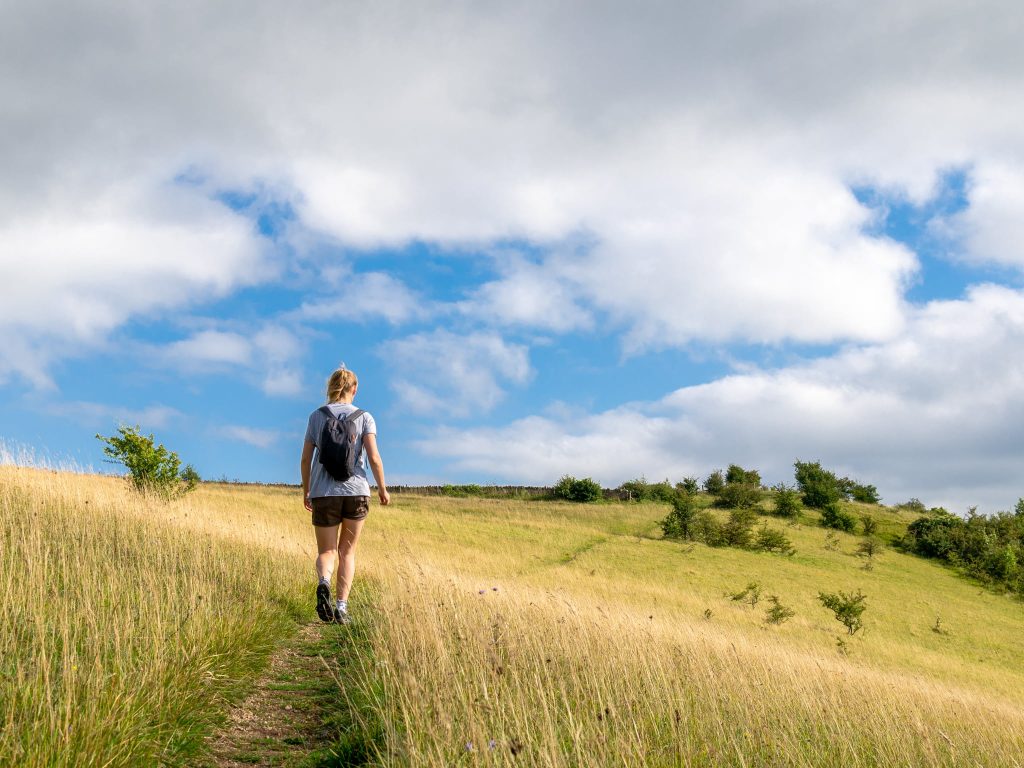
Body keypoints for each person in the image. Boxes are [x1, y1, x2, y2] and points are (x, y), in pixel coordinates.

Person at [301, 365, 390, 624]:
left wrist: (307, 490)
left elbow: (306, 458)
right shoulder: (365, 417)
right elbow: (373, 457)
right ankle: (341, 607)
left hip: (324, 493)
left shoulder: (316, 417)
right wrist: (382, 489)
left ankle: (324, 581)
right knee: (347, 552)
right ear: (355, 389)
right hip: (356, 493)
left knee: (327, 551)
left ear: (330, 387)